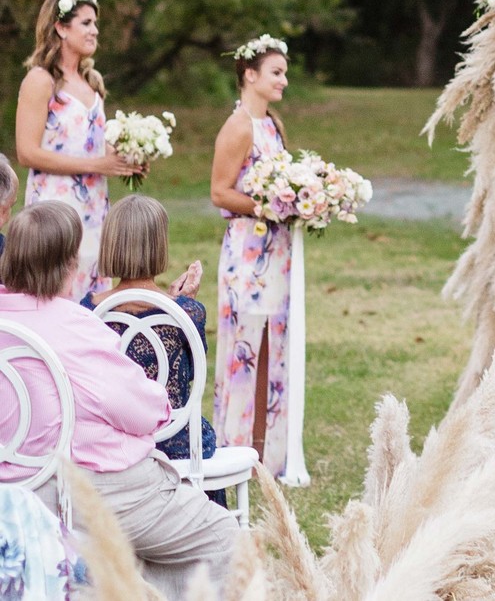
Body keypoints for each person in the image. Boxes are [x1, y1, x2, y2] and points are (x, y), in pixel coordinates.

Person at [0, 202, 239, 600]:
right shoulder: (73, 324)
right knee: (224, 538)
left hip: (12, 491)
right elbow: (143, 412)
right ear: (67, 265)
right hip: (89, 491)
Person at [15, 0, 141, 301]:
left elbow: (96, 148)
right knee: (56, 290)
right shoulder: (40, 81)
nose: (94, 31)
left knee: (93, 290)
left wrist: (128, 160)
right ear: (60, 27)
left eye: (95, 24)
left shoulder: (92, 84)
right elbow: (26, 152)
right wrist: (97, 165)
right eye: (86, 23)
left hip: (95, 207)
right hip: (55, 208)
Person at [210, 35, 294, 477]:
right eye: (276, 72)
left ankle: (266, 454)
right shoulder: (238, 126)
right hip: (247, 255)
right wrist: (271, 205)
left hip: (277, 253)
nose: (284, 79)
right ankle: (234, 451)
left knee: (272, 349)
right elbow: (219, 192)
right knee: (245, 348)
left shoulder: (273, 125)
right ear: (250, 76)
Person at [82, 194, 217, 467]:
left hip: (112, 442)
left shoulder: (88, 310)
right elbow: (189, 376)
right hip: (176, 442)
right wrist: (181, 306)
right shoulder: (188, 313)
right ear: (160, 246)